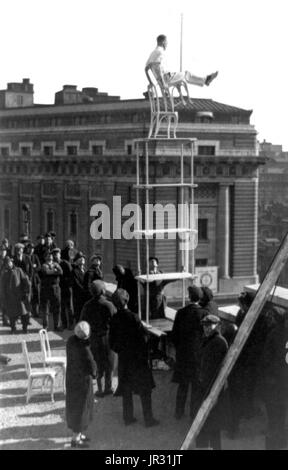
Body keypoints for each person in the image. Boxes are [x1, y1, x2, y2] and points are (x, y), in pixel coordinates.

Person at [110, 288, 159, 427]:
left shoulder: (114, 319)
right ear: (127, 301)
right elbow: (142, 339)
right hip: (137, 359)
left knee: (126, 389)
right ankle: (148, 419)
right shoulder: (133, 317)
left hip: (124, 360)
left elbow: (112, 343)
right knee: (145, 390)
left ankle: (128, 418)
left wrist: (121, 351)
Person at [171, 285, 207, 419]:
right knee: (196, 387)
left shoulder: (180, 313)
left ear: (189, 297)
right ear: (199, 299)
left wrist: (179, 349)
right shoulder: (204, 314)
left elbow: (174, 335)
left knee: (183, 385)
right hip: (197, 356)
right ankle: (193, 414)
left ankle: (178, 413)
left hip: (183, 355)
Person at [145, 35, 218, 97]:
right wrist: (163, 83)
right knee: (186, 74)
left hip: (162, 79)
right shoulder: (160, 52)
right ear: (163, 42)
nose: (167, 44)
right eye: (166, 42)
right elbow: (158, 68)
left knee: (181, 78)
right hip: (166, 78)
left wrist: (151, 82)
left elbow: (146, 69)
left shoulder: (152, 53)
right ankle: (206, 80)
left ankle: (204, 81)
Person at [195, 314, 228, 450]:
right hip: (203, 385)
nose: (207, 329)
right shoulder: (207, 340)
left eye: (210, 326)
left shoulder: (219, 342)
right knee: (203, 422)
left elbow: (220, 368)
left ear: (217, 326)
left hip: (212, 388)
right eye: (205, 326)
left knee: (213, 424)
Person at [80, 280, 116, 397]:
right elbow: (115, 321)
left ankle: (99, 389)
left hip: (94, 338)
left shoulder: (87, 305)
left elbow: (82, 322)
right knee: (110, 363)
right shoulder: (109, 305)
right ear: (103, 291)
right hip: (107, 337)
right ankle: (108, 387)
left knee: (98, 363)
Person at [259, 309, 288, 449]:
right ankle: (280, 441)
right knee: (280, 414)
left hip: (274, 382)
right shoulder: (278, 334)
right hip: (282, 382)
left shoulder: (274, 334)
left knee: (274, 414)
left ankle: (274, 443)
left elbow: (266, 359)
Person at [66, 321, 97, 448]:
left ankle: (78, 434)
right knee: (82, 409)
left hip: (71, 379)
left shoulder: (70, 342)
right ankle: (76, 439)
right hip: (82, 382)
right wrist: (95, 374)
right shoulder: (84, 349)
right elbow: (92, 366)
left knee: (74, 407)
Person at [1, 257, 31, 333]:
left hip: (20, 296)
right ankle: (13, 329)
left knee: (24, 313)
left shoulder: (18, 270)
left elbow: (25, 281)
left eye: (9, 262)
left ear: (11, 262)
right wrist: (4, 297)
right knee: (12, 315)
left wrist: (25, 292)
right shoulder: (4, 273)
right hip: (10, 297)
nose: (8, 264)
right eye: (6, 263)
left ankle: (25, 328)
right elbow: (2, 286)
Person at [40, 252, 63, 331]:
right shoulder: (43, 265)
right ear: (45, 257)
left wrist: (53, 270)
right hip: (46, 288)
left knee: (57, 307)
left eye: (51, 255)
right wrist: (54, 271)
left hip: (56, 288)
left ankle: (56, 326)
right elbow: (46, 272)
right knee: (45, 308)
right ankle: (45, 326)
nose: (50, 256)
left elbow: (61, 272)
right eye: (48, 255)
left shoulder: (56, 264)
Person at [52, 248, 74, 330]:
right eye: (54, 255)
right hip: (58, 288)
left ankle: (71, 324)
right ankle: (64, 324)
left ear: (60, 255)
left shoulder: (65, 263)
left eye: (57, 254)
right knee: (61, 307)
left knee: (69, 307)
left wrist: (68, 283)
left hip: (66, 288)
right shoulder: (53, 264)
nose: (55, 256)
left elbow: (71, 275)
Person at [25, 243, 41, 318]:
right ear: (27, 249)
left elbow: (39, 267)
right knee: (29, 296)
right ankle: (29, 313)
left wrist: (34, 268)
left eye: (32, 248)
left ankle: (36, 312)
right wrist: (32, 267)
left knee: (36, 295)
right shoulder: (25, 257)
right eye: (30, 248)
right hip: (28, 278)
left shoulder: (35, 256)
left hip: (35, 278)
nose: (31, 250)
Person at [72, 252, 87, 323]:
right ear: (76, 261)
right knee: (78, 311)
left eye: (83, 258)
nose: (82, 259)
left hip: (84, 294)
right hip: (78, 294)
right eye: (80, 258)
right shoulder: (74, 271)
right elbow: (76, 283)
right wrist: (84, 290)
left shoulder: (85, 270)